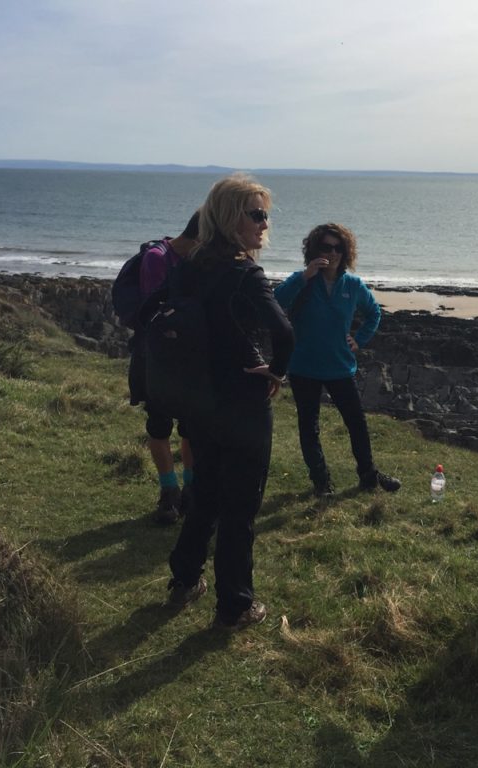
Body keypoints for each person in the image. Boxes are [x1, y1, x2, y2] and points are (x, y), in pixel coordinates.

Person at [165, 174, 294, 630]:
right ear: (228, 217)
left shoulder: (189, 267)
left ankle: (184, 580)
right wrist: (276, 370)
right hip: (242, 401)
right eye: (255, 214)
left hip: (199, 398)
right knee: (240, 507)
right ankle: (236, 606)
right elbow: (284, 331)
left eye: (266, 214)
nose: (264, 223)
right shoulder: (245, 273)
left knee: (204, 494)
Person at [274, 223, 401, 497]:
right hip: (303, 367)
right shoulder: (302, 280)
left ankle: (368, 476)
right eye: (325, 247)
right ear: (314, 250)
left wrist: (360, 339)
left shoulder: (353, 285)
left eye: (338, 247)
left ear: (346, 252)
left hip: (340, 367)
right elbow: (274, 303)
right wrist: (304, 276)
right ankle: (322, 482)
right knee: (309, 427)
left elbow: (373, 312)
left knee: (356, 423)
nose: (332, 253)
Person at [133, 212, 199, 525]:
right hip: (156, 358)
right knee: (159, 425)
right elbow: (157, 314)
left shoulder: (198, 261)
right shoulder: (157, 259)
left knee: (191, 428)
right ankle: (168, 491)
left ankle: (190, 489)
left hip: (188, 359)